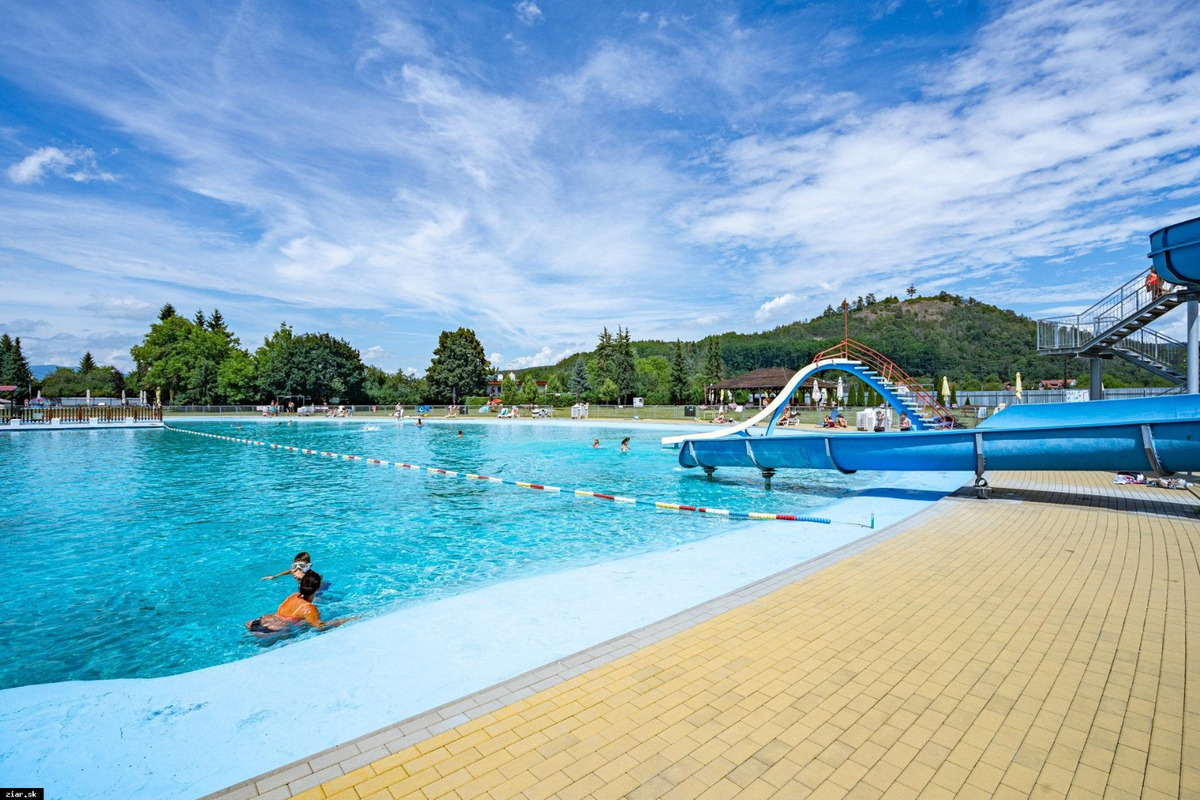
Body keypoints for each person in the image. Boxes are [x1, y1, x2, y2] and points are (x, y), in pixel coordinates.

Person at [246, 570, 353, 633]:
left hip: (257, 622)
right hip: (271, 631)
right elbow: (320, 627)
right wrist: (344, 620)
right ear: (318, 588)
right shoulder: (309, 609)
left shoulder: (294, 595)